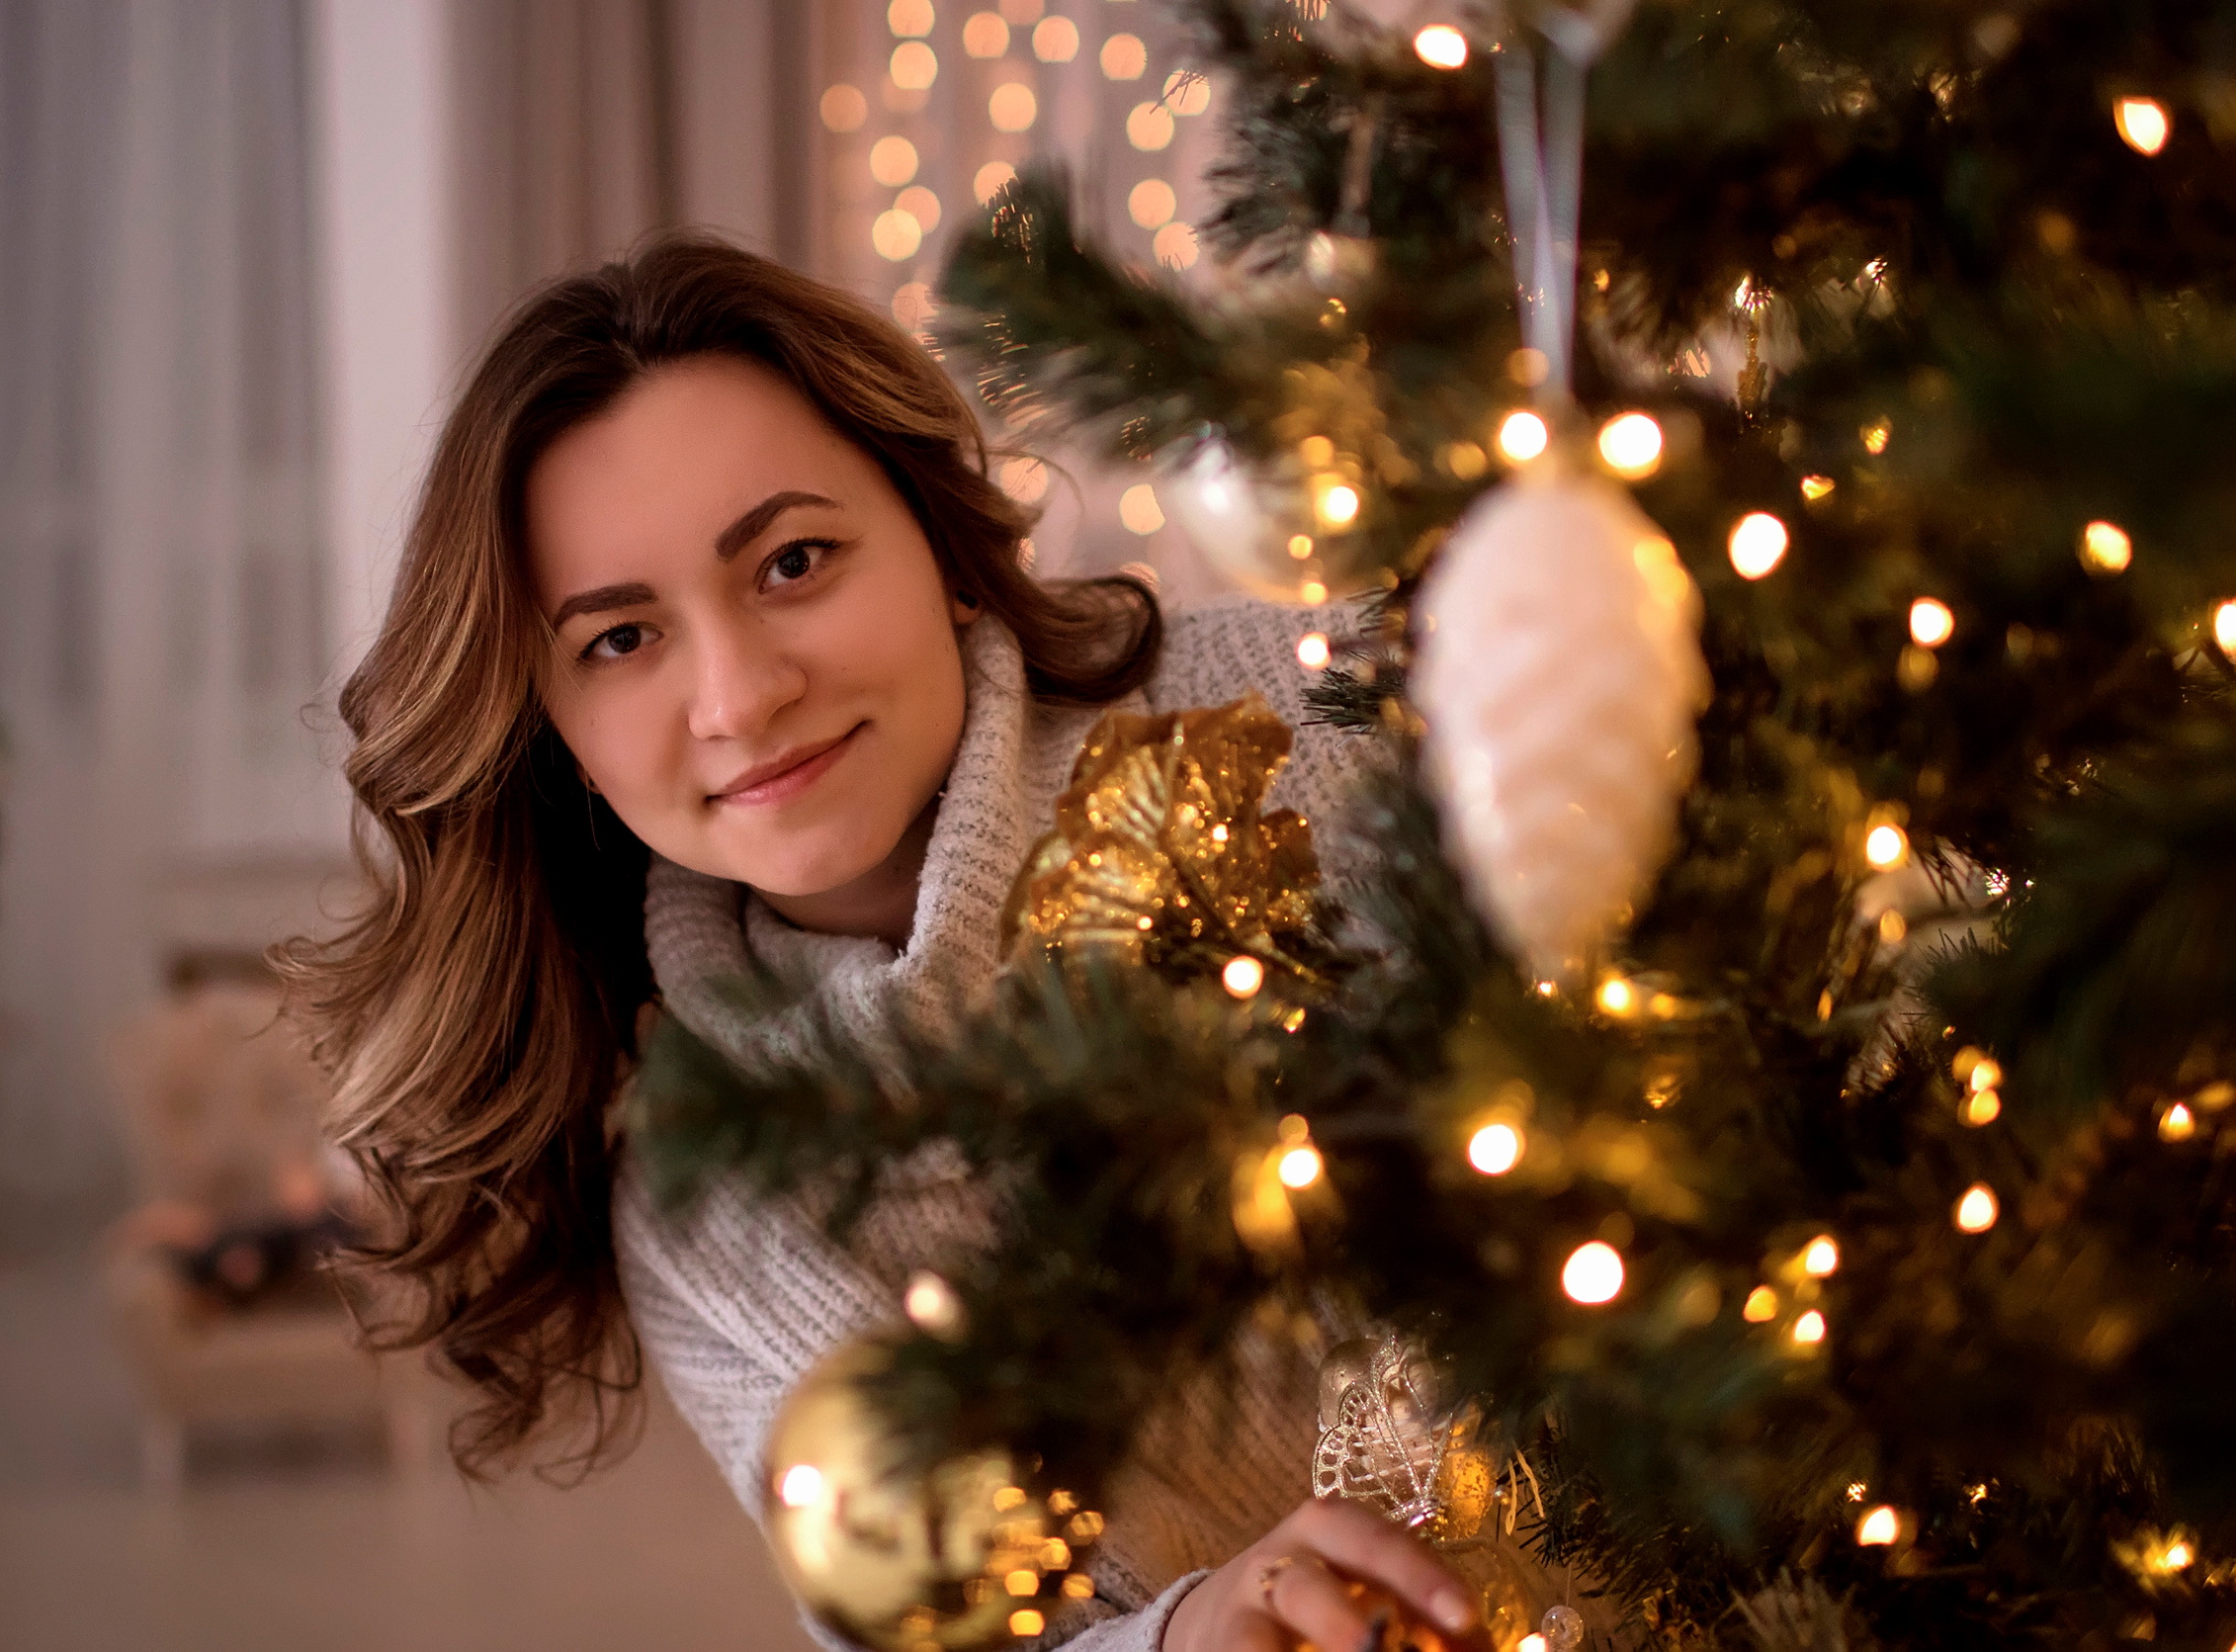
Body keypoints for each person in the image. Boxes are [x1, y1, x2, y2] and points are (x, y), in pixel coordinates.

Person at [284, 233, 1492, 1652]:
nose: (739, 695)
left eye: (794, 561)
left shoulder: (1311, 722)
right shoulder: (707, 1197)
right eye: (620, 641)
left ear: (947, 548)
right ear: (551, 732)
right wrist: (1186, 1635)